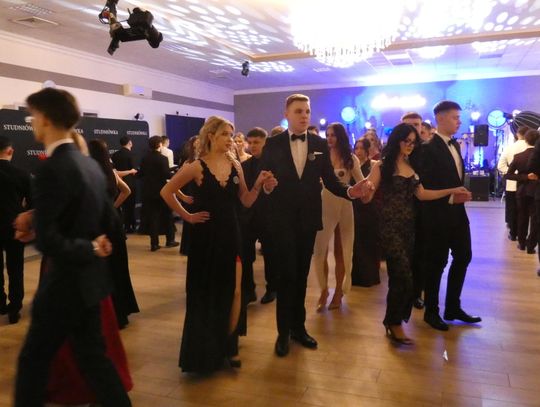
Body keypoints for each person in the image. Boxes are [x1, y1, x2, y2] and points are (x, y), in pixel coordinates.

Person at [14, 87, 131, 407]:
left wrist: (88, 247)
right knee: (94, 359)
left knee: (33, 360)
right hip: (91, 282)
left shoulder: (51, 168)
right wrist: (95, 244)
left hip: (64, 284)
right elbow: (109, 220)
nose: (32, 122)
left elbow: (50, 240)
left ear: (46, 119)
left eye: (33, 116)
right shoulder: (90, 165)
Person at [160, 116, 276, 373]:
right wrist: (188, 216)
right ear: (211, 136)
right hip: (205, 238)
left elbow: (245, 200)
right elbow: (166, 191)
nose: (231, 139)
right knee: (206, 292)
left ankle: (230, 345)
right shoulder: (196, 166)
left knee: (235, 291)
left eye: (232, 135)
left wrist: (258, 185)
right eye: (225, 134)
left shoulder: (235, 165)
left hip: (232, 234)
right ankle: (207, 350)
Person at [258, 94, 367, 357]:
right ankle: (283, 333)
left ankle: (299, 328)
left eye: (307, 111)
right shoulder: (272, 144)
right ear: (287, 113)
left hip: (307, 220)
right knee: (286, 277)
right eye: (298, 111)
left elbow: (329, 180)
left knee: (301, 276)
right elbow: (264, 179)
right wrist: (267, 186)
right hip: (282, 220)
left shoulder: (319, 143)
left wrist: (350, 191)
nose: (304, 115)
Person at [362, 123, 469, 344]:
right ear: (397, 141)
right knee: (403, 275)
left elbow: (422, 194)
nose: (410, 145)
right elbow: (367, 196)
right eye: (406, 141)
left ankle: (393, 321)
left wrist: (450, 190)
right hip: (389, 227)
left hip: (409, 227)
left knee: (401, 277)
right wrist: (365, 190)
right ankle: (395, 323)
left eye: (413, 142)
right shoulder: (382, 165)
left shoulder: (412, 165)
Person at [418, 100, 481, 331]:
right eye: (455, 117)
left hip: (458, 214)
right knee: (436, 263)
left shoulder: (455, 145)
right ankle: (431, 311)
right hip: (436, 215)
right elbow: (425, 185)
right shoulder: (427, 148)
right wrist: (451, 197)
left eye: (458, 117)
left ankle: (453, 306)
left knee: (464, 255)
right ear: (440, 118)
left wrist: (459, 196)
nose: (459, 121)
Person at [88, 139, 140, 328]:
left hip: (99, 225)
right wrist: (113, 207)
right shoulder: (111, 172)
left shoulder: (89, 174)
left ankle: (108, 315)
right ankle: (122, 311)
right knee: (119, 267)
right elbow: (126, 191)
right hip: (114, 223)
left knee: (104, 270)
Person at [311, 123, 363, 311]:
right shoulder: (321, 157)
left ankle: (339, 291)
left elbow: (361, 182)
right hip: (323, 206)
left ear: (341, 136)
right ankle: (324, 290)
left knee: (342, 251)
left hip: (344, 206)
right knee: (320, 251)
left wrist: (366, 189)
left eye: (333, 135)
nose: (330, 138)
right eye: (328, 135)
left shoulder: (350, 159)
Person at [240, 127, 277, 305]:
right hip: (249, 216)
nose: (252, 146)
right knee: (245, 254)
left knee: (270, 254)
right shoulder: (244, 165)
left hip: (269, 216)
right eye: (250, 142)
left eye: (256, 142)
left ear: (265, 143)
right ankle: (249, 290)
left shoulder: (275, 165)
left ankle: (272, 288)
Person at [0, 136, 31, 324]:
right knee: (16, 268)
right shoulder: (22, 174)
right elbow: (34, 203)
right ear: (10, 151)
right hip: (15, 228)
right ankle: (15, 308)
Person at [402, 112, 428, 309]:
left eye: (416, 124)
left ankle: (416, 293)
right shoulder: (394, 154)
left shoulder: (427, 152)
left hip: (422, 208)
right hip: (399, 211)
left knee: (420, 253)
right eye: (409, 125)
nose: (413, 128)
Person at [139, 135, 178, 251]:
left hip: (148, 191)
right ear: (160, 144)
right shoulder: (163, 158)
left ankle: (154, 244)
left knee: (153, 217)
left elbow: (142, 173)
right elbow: (166, 174)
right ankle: (170, 240)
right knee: (167, 215)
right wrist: (175, 173)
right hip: (161, 191)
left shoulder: (145, 158)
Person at [351, 137, 381, 287]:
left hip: (369, 208)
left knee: (368, 242)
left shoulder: (373, 165)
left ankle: (370, 276)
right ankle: (356, 276)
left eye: (362, 148)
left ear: (368, 150)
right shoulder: (351, 165)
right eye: (356, 148)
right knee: (356, 242)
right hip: (354, 207)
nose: (359, 151)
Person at [505, 129, 540, 254]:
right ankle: (531, 245)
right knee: (535, 219)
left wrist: (524, 177)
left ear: (525, 140)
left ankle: (522, 243)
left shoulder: (519, 157)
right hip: (537, 190)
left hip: (522, 190)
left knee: (522, 217)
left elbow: (507, 175)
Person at [498, 126, 529, 241]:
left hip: (511, 183)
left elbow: (500, 166)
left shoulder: (509, 148)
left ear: (517, 134)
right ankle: (523, 235)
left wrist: (512, 173)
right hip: (527, 183)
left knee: (512, 209)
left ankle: (513, 233)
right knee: (525, 211)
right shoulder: (532, 148)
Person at [111, 136, 138, 233]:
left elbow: (114, 170)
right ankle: (130, 226)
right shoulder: (131, 154)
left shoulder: (115, 155)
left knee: (120, 205)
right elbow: (134, 170)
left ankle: (121, 225)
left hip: (118, 182)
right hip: (130, 183)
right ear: (130, 143)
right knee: (130, 205)